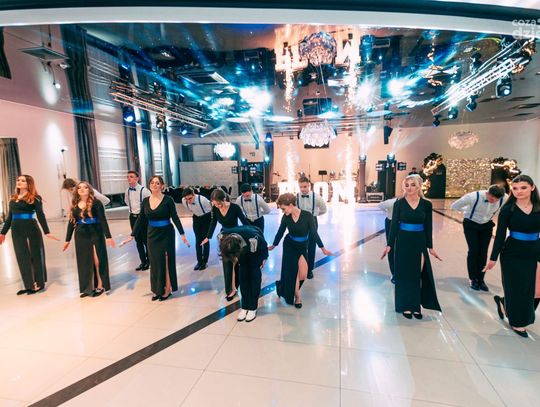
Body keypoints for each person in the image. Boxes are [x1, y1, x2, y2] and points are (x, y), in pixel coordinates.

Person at [484, 174, 540, 338]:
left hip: (535, 252)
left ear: (532, 188)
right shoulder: (508, 210)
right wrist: (493, 258)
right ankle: (517, 322)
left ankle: (505, 303)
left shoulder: (538, 208)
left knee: (534, 290)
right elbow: (500, 236)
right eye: (515, 188)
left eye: (523, 187)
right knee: (516, 288)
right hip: (512, 254)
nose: (519, 191)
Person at [381, 174, 442, 319]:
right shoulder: (399, 204)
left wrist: (430, 247)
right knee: (404, 275)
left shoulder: (426, 204)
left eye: (413, 185)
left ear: (419, 187)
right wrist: (389, 245)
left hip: (419, 242)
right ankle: (405, 306)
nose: (409, 188)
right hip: (403, 241)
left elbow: (428, 226)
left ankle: (415, 307)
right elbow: (394, 226)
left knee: (416, 275)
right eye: (407, 185)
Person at [121, 176, 190, 301]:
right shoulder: (146, 201)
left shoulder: (168, 200)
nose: (154, 185)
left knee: (166, 260)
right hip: (152, 234)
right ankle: (157, 289)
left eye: (157, 183)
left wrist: (182, 234)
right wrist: (132, 235)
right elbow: (141, 219)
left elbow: (174, 217)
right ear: (149, 185)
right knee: (155, 262)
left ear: (162, 186)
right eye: (152, 183)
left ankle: (167, 289)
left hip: (166, 233)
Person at [269, 193, 332, 308]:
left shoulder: (307, 216)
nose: (283, 211)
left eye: (283, 209)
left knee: (303, 274)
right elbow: (280, 232)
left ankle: (282, 287)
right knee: (292, 273)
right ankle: (297, 296)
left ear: (291, 205)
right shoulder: (286, 217)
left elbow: (314, 233)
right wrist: (274, 245)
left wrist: (323, 248)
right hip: (289, 246)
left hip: (302, 246)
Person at [0, 175, 59, 295]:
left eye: (23, 181)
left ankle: (39, 283)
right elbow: (10, 217)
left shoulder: (35, 198)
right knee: (22, 257)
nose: (19, 182)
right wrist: (3, 233)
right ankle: (29, 285)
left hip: (31, 228)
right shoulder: (13, 198)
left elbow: (40, 215)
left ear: (29, 184)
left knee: (35, 255)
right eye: (18, 180)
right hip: (16, 230)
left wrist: (47, 232)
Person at [63, 182, 115, 298]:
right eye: (79, 188)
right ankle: (87, 288)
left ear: (89, 190)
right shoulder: (74, 204)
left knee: (97, 260)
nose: (82, 189)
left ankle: (101, 285)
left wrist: (108, 236)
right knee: (84, 261)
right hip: (81, 234)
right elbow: (71, 222)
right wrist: (67, 240)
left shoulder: (96, 203)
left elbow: (103, 220)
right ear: (77, 191)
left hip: (95, 233)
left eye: (85, 187)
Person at [451, 185, 506, 291]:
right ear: (488, 193)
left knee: (483, 252)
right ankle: (473, 279)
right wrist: (467, 210)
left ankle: (481, 279)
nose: (493, 201)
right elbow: (454, 206)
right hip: (471, 224)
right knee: (474, 250)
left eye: (496, 200)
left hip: (487, 225)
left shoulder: (504, 198)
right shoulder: (473, 197)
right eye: (491, 198)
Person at [201, 188, 249, 301]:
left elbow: (244, 221)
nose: (217, 206)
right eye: (214, 204)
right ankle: (230, 290)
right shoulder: (215, 208)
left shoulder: (235, 207)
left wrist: (252, 232)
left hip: (236, 236)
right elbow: (213, 223)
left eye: (219, 203)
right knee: (227, 264)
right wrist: (208, 237)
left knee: (236, 263)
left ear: (224, 199)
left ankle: (237, 285)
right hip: (224, 237)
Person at [219, 225, 268, 322]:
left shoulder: (252, 236)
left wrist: (264, 257)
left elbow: (263, 245)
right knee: (243, 279)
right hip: (242, 254)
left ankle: (253, 308)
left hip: (255, 252)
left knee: (254, 280)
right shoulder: (224, 236)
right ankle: (244, 307)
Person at [296, 176, 327, 279]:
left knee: (311, 246)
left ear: (309, 185)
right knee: (301, 245)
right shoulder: (296, 197)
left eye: (305, 186)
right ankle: (301, 268)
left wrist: (314, 215)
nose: (303, 189)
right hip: (300, 222)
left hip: (312, 221)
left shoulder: (316, 197)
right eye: (301, 187)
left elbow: (324, 209)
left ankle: (309, 270)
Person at [125, 170, 151, 271]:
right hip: (132, 217)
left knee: (145, 240)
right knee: (138, 241)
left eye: (131, 176)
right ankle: (143, 261)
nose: (129, 178)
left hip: (143, 218)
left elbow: (150, 203)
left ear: (137, 178)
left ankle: (149, 261)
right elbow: (127, 202)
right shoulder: (127, 191)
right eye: (128, 177)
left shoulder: (144, 190)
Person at [182, 187, 212, 270]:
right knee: (198, 240)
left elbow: (211, 210)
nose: (188, 201)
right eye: (186, 199)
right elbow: (190, 209)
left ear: (194, 194)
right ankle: (199, 261)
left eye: (190, 198)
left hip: (206, 218)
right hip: (196, 218)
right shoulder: (184, 201)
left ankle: (205, 262)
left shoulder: (203, 200)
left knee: (205, 240)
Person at [378, 197, 398, 283]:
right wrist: (388, 212)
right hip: (390, 222)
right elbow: (380, 205)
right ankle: (394, 273)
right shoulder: (391, 202)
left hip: (402, 223)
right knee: (391, 247)